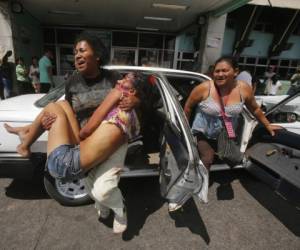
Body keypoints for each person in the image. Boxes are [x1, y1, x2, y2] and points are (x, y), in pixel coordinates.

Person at [5, 31, 140, 233]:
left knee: (103, 189)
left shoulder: (113, 79)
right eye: (75, 51)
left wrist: (136, 101)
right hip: (83, 138)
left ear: (97, 56)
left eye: (82, 50)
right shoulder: (73, 81)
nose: (76, 55)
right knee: (91, 183)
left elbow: (132, 104)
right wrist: (52, 121)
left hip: (110, 139)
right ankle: (27, 132)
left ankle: (119, 211)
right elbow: (67, 108)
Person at [184, 56, 281, 170]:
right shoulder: (204, 88)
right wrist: (185, 131)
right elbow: (188, 108)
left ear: (235, 72)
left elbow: (254, 109)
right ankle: (200, 185)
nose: (220, 74)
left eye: (224, 70)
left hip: (226, 132)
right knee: (207, 158)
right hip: (203, 131)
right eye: (217, 71)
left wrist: (267, 125)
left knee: (231, 157)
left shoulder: (244, 88)